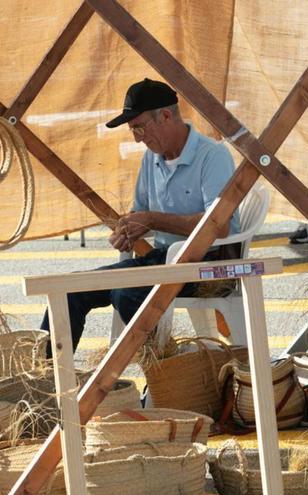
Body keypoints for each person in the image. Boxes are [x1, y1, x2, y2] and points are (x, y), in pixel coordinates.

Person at [40, 78, 240, 351]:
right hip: (165, 261)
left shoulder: (212, 155)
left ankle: (168, 374)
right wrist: (130, 228)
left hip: (210, 266)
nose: (137, 137)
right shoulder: (152, 157)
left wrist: (153, 220)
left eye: (139, 127)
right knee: (70, 290)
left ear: (166, 116)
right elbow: (142, 212)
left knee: (128, 294)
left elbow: (220, 227)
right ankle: (48, 382)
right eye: (133, 130)